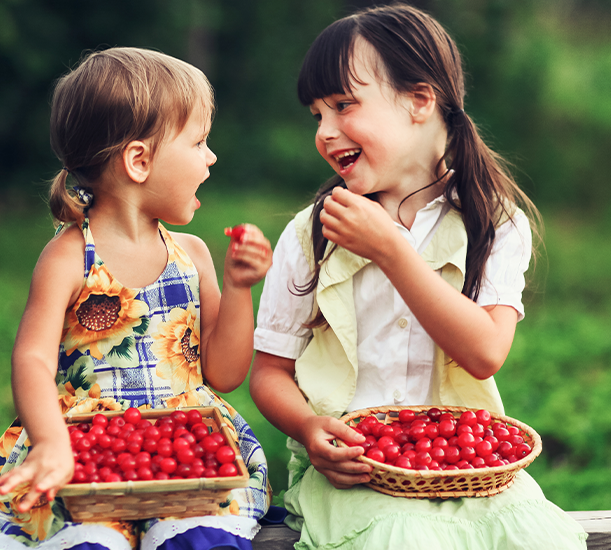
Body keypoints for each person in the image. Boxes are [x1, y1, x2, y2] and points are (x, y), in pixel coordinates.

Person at [249, 4, 587, 549]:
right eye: (317, 115)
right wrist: (310, 431)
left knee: (540, 539)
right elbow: (268, 372)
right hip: (356, 470)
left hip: (470, 466)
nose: (327, 131)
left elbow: (485, 352)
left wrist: (391, 250)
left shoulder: (494, 221)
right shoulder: (310, 233)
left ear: (420, 100)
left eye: (344, 105)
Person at [0, 47, 272, 550]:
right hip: (85, 450)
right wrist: (50, 442)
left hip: (184, 451)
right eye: (199, 141)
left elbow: (224, 373)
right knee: (88, 539)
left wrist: (240, 288)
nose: (211, 156)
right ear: (139, 160)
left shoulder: (193, 255)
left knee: (201, 539)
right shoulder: (68, 258)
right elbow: (31, 357)